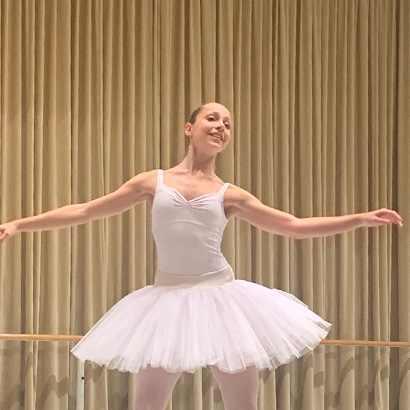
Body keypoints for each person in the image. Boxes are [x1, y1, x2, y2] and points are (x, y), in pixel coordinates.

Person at [0, 102, 403, 410]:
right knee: (147, 404)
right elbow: (85, 210)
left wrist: (359, 219)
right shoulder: (152, 182)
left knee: (243, 405)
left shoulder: (230, 195)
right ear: (189, 128)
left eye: (227, 124)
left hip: (222, 299)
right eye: (213, 118)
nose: (221, 127)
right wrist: (20, 224)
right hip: (166, 301)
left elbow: (293, 226)